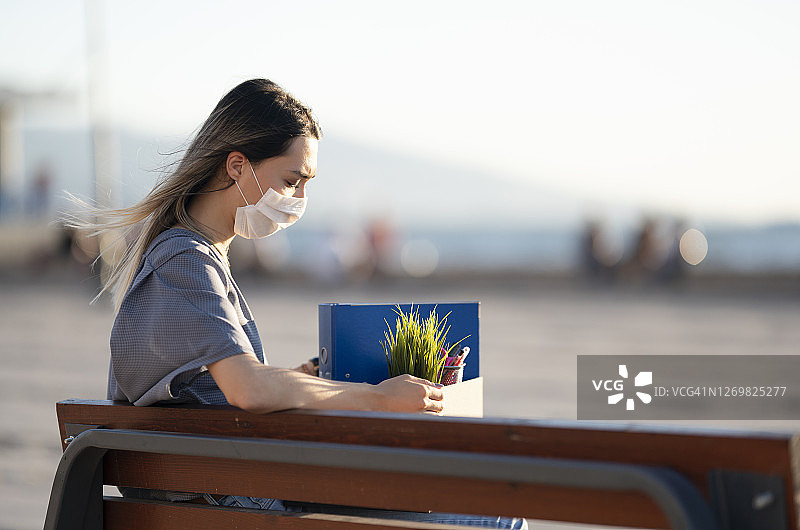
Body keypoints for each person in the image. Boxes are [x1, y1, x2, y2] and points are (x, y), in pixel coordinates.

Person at [75, 79, 525, 529]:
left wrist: (294, 379)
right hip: (236, 499)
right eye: (292, 181)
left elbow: (205, 391)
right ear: (237, 165)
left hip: (213, 490)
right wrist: (378, 398)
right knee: (495, 520)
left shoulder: (186, 256)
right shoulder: (185, 260)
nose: (300, 200)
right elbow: (247, 390)